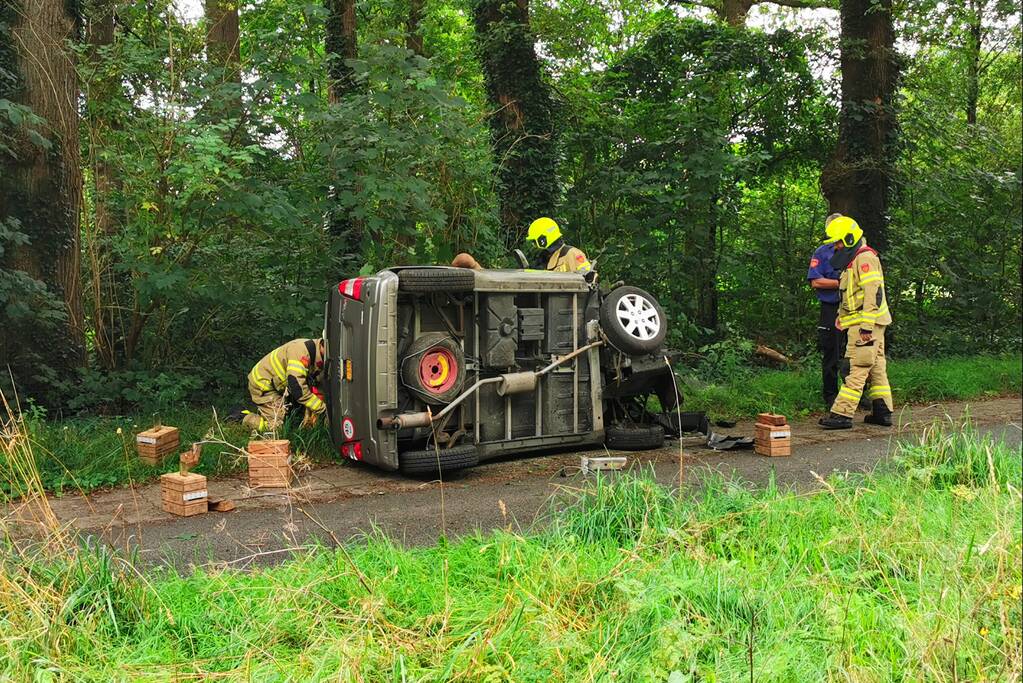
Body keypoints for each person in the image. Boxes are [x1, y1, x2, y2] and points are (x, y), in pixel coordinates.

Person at [818, 216, 894, 429]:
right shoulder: (854, 260)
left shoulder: (864, 258)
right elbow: (852, 294)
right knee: (877, 366)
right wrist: (841, 317)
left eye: (839, 242)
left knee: (857, 366)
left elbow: (873, 293)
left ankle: (842, 414)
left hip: (865, 324)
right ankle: (882, 411)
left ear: (850, 239)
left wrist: (866, 327)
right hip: (863, 322)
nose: (836, 246)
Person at [230, 338, 326, 432]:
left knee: (294, 418)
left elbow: (318, 386)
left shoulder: (318, 355)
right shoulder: (301, 352)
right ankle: (242, 417)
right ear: (324, 344)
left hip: (280, 386)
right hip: (263, 385)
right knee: (276, 427)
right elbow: (297, 388)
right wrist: (322, 409)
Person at [451, 217, 592, 274]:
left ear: (543, 239)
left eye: (535, 241)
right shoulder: (544, 259)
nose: (534, 245)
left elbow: (589, 279)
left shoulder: (572, 254)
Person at [807, 213, 845, 409]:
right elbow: (816, 281)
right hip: (830, 308)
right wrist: (842, 283)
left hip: (853, 308)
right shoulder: (822, 252)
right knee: (831, 352)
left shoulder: (853, 251)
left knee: (853, 352)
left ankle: (855, 395)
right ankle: (831, 395)